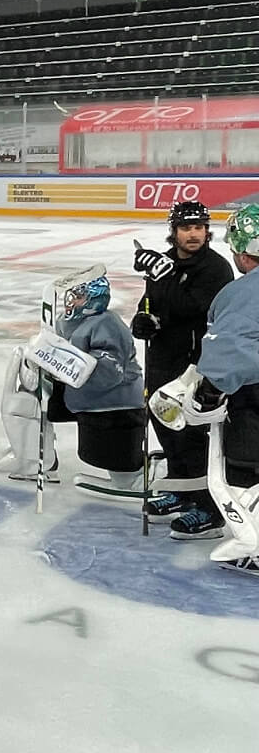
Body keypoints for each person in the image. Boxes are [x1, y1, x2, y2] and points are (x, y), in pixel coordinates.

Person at [131, 201, 234, 538]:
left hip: (195, 366)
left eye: (199, 227)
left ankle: (210, 509)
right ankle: (181, 489)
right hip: (162, 361)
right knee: (164, 424)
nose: (193, 234)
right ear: (173, 231)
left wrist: (167, 275)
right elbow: (151, 301)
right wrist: (143, 319)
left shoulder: (216, 269)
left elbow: (193, 307)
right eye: (186, 228)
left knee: (192, 435)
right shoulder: (165, 264)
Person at [6, 268, 148, 496]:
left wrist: (62, 364)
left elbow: (110, 373)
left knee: (106, 451)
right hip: (79, 394)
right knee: (29, 402)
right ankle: (36, 459)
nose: (71, 301)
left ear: (95, 298)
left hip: (113, 402)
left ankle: (130, 479)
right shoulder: (65, 322)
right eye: (71, 296)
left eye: (79, 296)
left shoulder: (107, 324)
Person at [178, 204, 259, 573]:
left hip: (252, 399)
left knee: (242, 472)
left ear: (243, 252)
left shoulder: (241, 293)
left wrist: (209, 392)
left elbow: (229, 350)